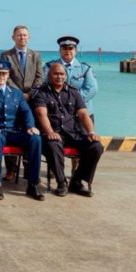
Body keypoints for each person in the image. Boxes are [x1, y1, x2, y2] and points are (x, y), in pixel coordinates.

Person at [0, 60, 44, 201]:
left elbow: (26, 112)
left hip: (13, 132)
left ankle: (32, 184)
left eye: (4, 74)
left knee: (36, 138)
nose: (1, 76)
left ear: (8, 75)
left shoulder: (17, 93)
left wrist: (30, 126)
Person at [32, 63, 103, 197]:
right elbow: (42, 114)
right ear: (49, 75)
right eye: (55, 74)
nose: (59, 76)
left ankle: (76, 180)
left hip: (73, 133)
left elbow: (83, 114)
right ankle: (61, 182)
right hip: (54, 134)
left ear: (66, 76)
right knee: (53, 145)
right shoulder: (41, 93)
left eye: (62, 74)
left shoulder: (74, 92)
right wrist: (49, 132)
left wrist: (91, 132)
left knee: (96, 147)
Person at [0, 25, 43, 182]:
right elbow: (6, 76)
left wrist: (29, 94)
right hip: (12, 99)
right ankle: (11, 170)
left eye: (24, 35)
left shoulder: (36, 55)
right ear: (13, 37)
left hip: (31, 100)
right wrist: (19, 94)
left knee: (29, 132)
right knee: (11, 130)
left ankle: (28, 169)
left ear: (28, 37)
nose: (22, 38)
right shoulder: (6, 55)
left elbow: (39, 77)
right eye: (19, 35)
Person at [43, 36, 98, 121]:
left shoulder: (85, 68)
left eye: (70, 48)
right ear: (60, 50)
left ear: (75, 51)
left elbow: (91, 89)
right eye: (64, 48)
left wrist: (73, 103)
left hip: (82, 114)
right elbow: (44, 86)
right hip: (56, 114)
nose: (68, 51)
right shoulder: (49, 67)